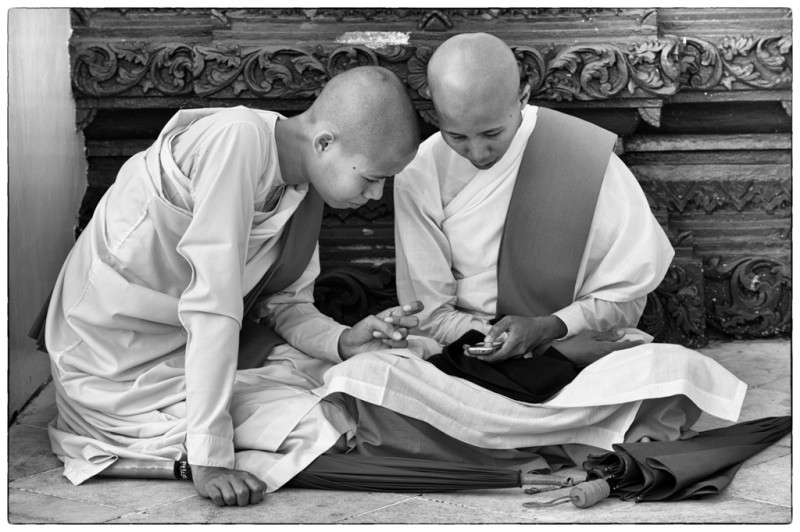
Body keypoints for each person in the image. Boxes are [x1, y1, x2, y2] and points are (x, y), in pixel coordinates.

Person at [309, 33, 746, 471]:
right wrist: (495, 344)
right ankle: (573, 434)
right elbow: (431, 313)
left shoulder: (581, 156)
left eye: (492, 133)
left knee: (671, 370)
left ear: (522, 95)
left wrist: (550, 328)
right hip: (470, 364)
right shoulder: (420, 171)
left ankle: (488, 438)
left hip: (574, 353)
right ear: (434, 111)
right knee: (362, 378)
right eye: (456, 135)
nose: (477, 152)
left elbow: (626, 297)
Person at [37, 66, 423, 507]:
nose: (376, 196)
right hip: (113, 366)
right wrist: (209, 455)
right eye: (372, 177)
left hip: (184, 349)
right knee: (325, 424)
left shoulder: (302, 182)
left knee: (370, 375)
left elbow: (285, 304)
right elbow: (212, 305)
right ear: (324, 143)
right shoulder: (236, 140)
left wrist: (343, 341)